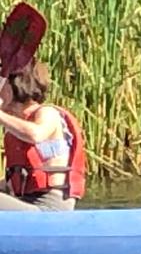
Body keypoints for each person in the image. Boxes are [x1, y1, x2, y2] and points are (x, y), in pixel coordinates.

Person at [0, 60, 85, 212]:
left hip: (49, 208)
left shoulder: (47, 113)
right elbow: (11, 183)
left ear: (16, 85)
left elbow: (36, 134)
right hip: (25, 203)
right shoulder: (15, 129)